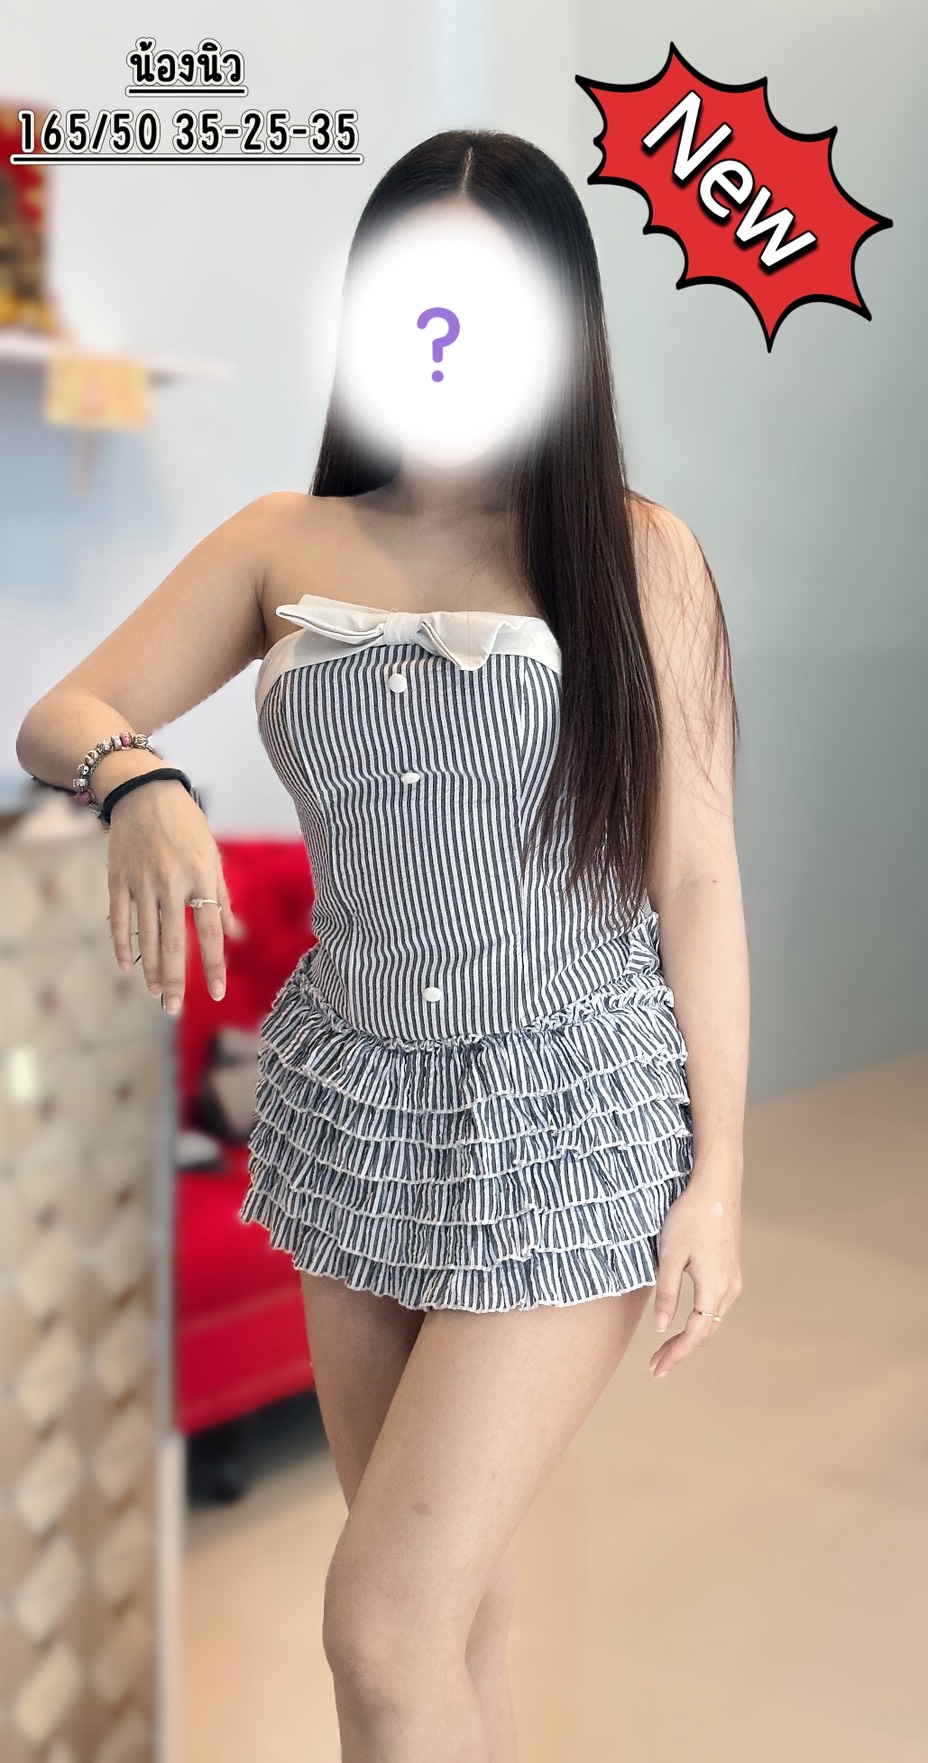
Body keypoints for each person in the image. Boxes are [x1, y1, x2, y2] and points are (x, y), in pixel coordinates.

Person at [16, 128, 749, 1763]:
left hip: (570, 1115)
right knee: (451, 1618)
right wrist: (139, 778)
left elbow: (698, 880)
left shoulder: (640, 552)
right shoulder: (283, 539)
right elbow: (62, 711)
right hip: (353, 1108)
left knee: (378, 1623)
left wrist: (718, 1178)